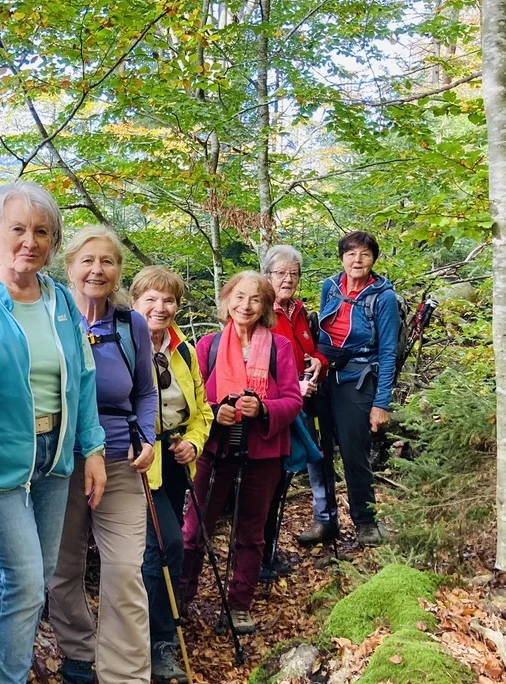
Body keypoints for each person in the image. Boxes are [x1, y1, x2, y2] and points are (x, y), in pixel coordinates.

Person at [0, 182, 108, 684]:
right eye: (18, 229)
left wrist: (91, 449)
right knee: (24, 584)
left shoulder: (63, 301)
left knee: (38, 579)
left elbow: (83, 380)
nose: (30, 240)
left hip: (53, 459)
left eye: (42, 231)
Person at [48, 226, 158, 684]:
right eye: (88, 260)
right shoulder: (48, 316)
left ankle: (125, 674)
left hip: (120, 461)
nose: (97, 269)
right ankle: (78, 654)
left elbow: (146, 392)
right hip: (60, 463)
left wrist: (148, 438)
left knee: (124, 573)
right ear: (69, 265)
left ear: (118, 271)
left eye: (107, 261)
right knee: (62, 569)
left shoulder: (131, 325)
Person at [178, 271, 302, 635]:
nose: (245, 305)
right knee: (195, 526)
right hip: (214, 449)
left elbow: (293, 400)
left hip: (263, 453)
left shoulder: (279, 347)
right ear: (227, 299)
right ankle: (183, 596)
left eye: (255, 299)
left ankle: (239, 605)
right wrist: (216, 411)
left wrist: (262, 409)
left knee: (251, 530)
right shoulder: (209, 346)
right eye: (239, 296)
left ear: (265, 306)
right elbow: (193, 400)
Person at [130, 266, 213, 684]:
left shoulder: (185, 350)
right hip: (139, 462)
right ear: (135, 302)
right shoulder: (123, 346)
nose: (160, 307)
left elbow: (202, 410)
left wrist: (194, 443)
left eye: (168, 300)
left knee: (163, 547)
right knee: (165, 546)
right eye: (151, 299)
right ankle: (157, 643)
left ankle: (159, 629)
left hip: (176, 460)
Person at [316, 231, 400, 547]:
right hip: (324, 378)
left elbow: (388, 351)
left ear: (373, 260)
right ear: (342, 257)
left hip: (358, 380)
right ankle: (325, 521)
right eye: (351, 254)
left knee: (354, 454)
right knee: (319, 453)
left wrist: (381, 403)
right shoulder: (330, 287)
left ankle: (366, 523)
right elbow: (323, 334)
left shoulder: (384, 298)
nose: (357, 260)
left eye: (364, 254)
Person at [258, 246, 334, 560]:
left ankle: (269, 552)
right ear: (267, 276)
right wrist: (293, 388)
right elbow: (258, 368)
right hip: (274, 411)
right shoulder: (260, 313)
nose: (288, 279)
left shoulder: (300, 312)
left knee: (293, 475)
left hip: (302, 408)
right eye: (281, 273)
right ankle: (262, 555)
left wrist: (318, 362)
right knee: (270, 485)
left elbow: (311, 350)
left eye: (293, 274)